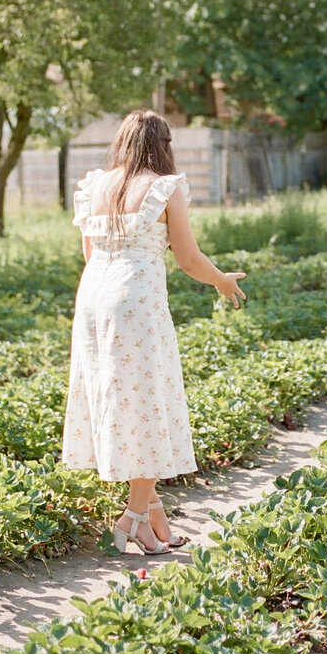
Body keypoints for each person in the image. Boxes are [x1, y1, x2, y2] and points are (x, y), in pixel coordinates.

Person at [61, 110, 246, 555]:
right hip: (135, 302)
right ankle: (132, 518)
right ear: (163, 146)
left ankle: (154, 519)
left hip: (93, 300)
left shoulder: (95, 186)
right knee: (145, 403)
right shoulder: (165, 187)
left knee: (118, 400)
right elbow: (188, 258)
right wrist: (221, 279)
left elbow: (90, 254)